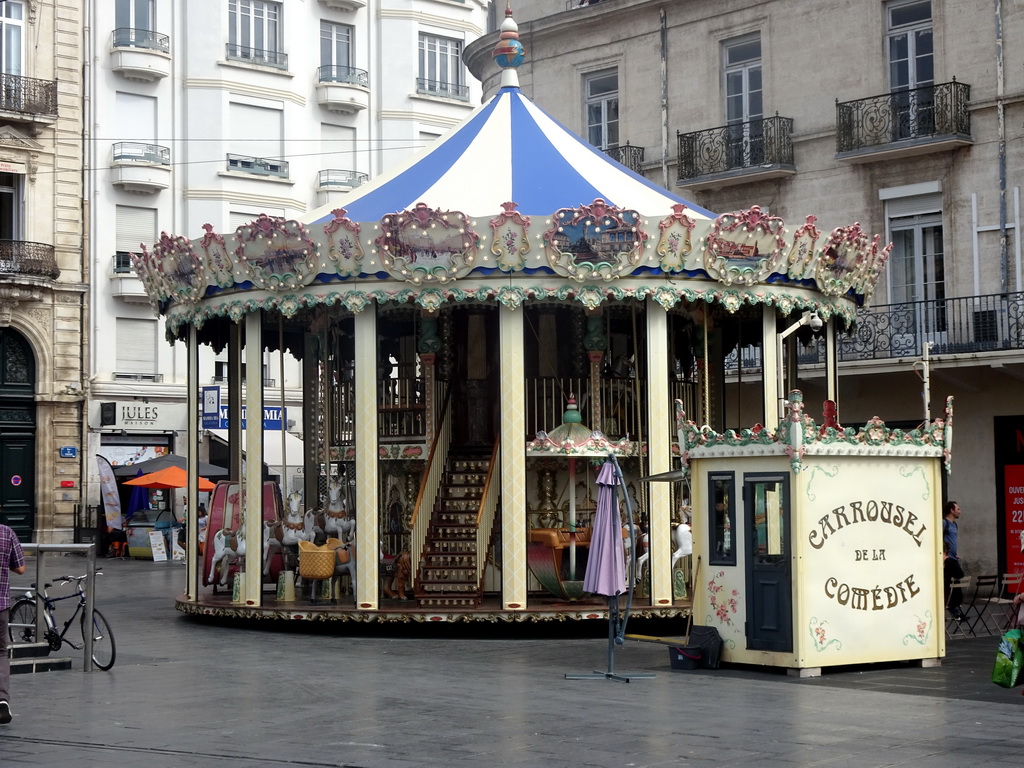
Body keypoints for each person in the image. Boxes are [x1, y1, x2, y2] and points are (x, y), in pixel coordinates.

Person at [0, 521, 27, 725]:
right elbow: (20, 569)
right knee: (0, 652)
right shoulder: (6, 532)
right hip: (0, 606)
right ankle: (2, 700)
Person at [942, 541, 965, 622]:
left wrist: (948, 577)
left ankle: (954, 614)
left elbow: (960, 574)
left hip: (952, 597)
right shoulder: (948, 562)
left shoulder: (950, 562)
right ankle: (956, 614)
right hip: (953, 596)